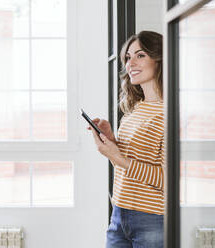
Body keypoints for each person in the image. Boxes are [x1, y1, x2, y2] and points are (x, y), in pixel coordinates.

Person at [87, 31, 164, 248]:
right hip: (119, 214)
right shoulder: (134, 110)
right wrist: (112, 143)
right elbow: (124, 166)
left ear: (159, 59)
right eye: (128, 57)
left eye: (140, 55)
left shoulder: (169, 113)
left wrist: (119, 158)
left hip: (152, 219)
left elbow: (168, 179)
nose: (131, 63)